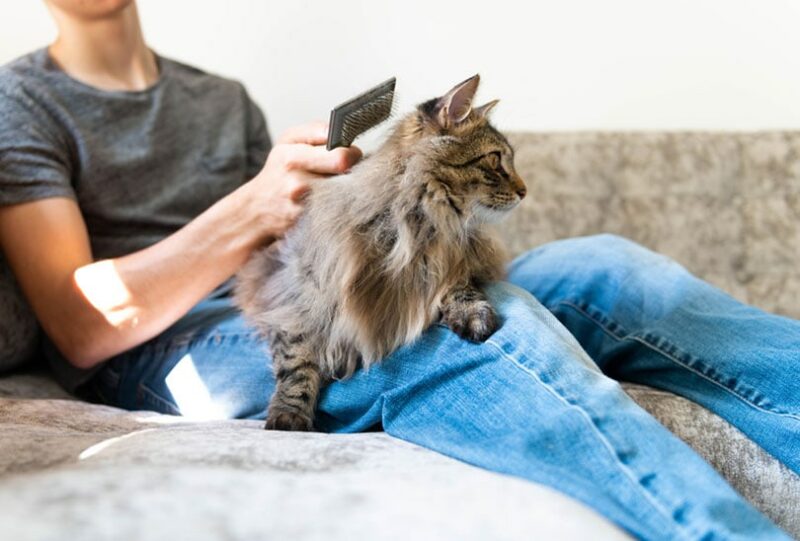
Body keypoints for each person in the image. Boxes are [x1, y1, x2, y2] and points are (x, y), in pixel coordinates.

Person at [0, 2, 796, 539]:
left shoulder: (224, 100)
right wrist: (252, 205)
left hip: (298, 284)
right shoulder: (23, 100)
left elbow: (295, 247)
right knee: (454, 333)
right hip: (179, 343)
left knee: (610, 267)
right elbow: (79, 323)